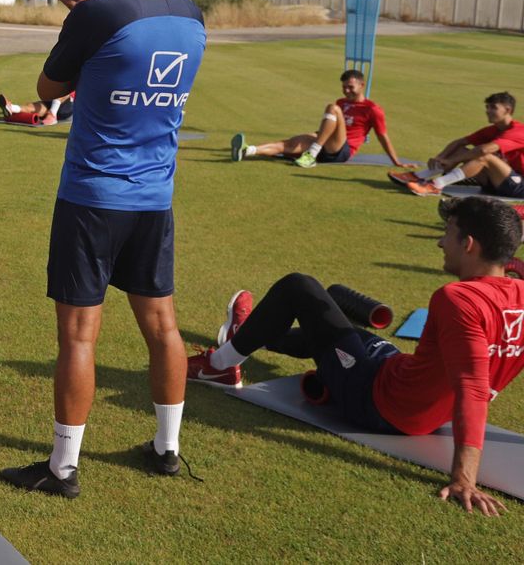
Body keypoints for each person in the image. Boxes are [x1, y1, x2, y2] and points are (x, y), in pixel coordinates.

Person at [0, 0, 207, 499]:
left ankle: (63, 468)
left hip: (93, 197)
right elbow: (130, 50)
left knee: (78, 336)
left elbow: (48, 88)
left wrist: (79, 15)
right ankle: (167, 449)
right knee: (163, 327)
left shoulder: (100, 16)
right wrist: (83, 10)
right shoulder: (192, 16)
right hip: (154, 198)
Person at [187, 195, 524, 516]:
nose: (440, 242)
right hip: (400, 381)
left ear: (469, 244)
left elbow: (472, 388)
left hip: (376, 401)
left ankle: (219, 366)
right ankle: (246, 335)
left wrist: (464, 478)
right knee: (337, 331)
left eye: (447, 232)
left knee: (299, 287)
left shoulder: (459, 298)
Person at [229, 70, 414, 168]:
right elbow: (329, 127)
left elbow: (383, 136)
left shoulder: (372, 109)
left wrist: (396, 161)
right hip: (325, 143)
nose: (346, 91)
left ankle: (311, 154)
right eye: (344, 87)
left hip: (342, 151)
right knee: (288, 144)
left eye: (350, 87)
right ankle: (247, 151)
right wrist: (313, 135)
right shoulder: (342, 102)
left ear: (362, 85)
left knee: (332, 108)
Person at [395, 92, 524, 199]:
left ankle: (436, 186)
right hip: (497, 182)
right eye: (487, 107)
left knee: (484, 157)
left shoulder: (519, 131)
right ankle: (419, 176)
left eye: (493, 108)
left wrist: (452, 160)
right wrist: (440, 157)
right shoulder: (493, 130)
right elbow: (459, 142)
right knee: (460, 150)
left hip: (519, 186)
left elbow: (484, 150)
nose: (488, 111)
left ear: (508, 110)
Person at [0, 92, 75, 126]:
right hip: (51, 100)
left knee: (64, 89)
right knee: (33, 107)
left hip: (68, 104)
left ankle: (52, 114)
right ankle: (12, 108)